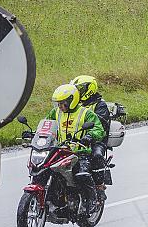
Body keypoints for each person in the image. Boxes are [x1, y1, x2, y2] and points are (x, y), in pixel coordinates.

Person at [46, 84, 105, 217]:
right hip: (59, 152)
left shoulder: (86, 113)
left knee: (82, 175)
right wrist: (35, 133)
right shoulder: (55, 113)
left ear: (72, 101)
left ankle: (91, 201)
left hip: (80, 152)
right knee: (43, 169)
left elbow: (98, 129)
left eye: (63, 103)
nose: (60, 106)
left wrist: (89, 136)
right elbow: (46, 124)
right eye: (58, 103)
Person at [71, 75, 110, 202]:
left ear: (90, 89)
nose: (78, 92)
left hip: (96, 141)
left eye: (81, 89)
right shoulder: (75, 105)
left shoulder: (100, 105)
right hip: (76, 140)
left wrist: (89, 135)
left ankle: (99, 187)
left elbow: (101, 125)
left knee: (97, 155)